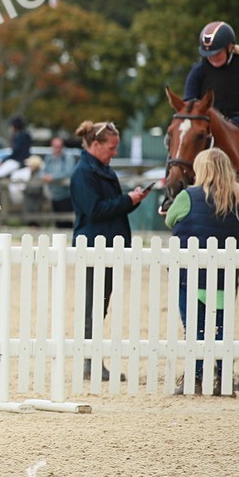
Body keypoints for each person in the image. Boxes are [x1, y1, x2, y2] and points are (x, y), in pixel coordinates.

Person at [164, 148, 239, 396]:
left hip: (191, 275)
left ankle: (195, 376)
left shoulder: (188, 195)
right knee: (221, 328)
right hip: (225, 277)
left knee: (195, 329)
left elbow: (170, 221)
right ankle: (223, 376)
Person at [71, 120, 149, 380]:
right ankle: (90, 363)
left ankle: (93, 362)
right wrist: (127, 200)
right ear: (96, 144)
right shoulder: (84, 172)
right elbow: (95, 210)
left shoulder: (102, 169)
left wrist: (132, 201)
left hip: (107, 245)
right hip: (94, 246)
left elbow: (110, 208)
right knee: (93, 308)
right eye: (112, 147)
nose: (114, 152)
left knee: (99, 307)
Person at [182, 21, 239, 128]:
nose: (213, 57)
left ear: (229, 47)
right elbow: (189, 103)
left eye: (217, 53)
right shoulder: (198, 70)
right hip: (210, 125)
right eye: (209, 54)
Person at [41, 136, 77, 222]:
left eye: (59, 146)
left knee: (66, 222)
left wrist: (52, 177)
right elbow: (43, 171)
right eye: (55, 146)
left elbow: (69, 172)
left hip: (66, 195)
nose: (57, 149)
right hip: (54, 195)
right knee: (57, 222)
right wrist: (45, 176)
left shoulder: (68, 157)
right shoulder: (49, 158)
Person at [0, 115, 31, 179]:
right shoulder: (18, 136)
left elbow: (15, 153)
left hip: (18, 161)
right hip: (16, 160)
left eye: (11, 126)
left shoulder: (22, 136)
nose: (10, 128)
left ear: (15, 126)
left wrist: (3, 161)